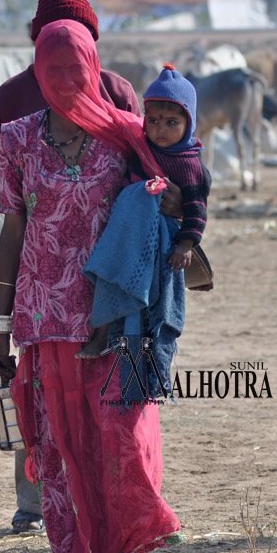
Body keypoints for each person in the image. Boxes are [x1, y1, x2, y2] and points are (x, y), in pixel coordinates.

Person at [0, 0, 180, 535]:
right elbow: (3, 206)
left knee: (117, 419)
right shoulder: (12, 116)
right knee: (51, 414)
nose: (66, 69)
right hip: (48, 301)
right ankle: (49, 511)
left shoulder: (119, 102)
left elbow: (161, 179)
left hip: (115, 299)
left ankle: (124, 528)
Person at [77, 61, 210, 358]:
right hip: (127, 234)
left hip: (161, 245)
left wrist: (186, 244)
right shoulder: (141, 145)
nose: (160, 129)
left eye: (171, 123)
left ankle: (144, 360)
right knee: (110, 278)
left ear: (189, 122)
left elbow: (197, 207)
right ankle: (100, 336)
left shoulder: (188, 163)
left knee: (150, 304)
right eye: (153, 120)